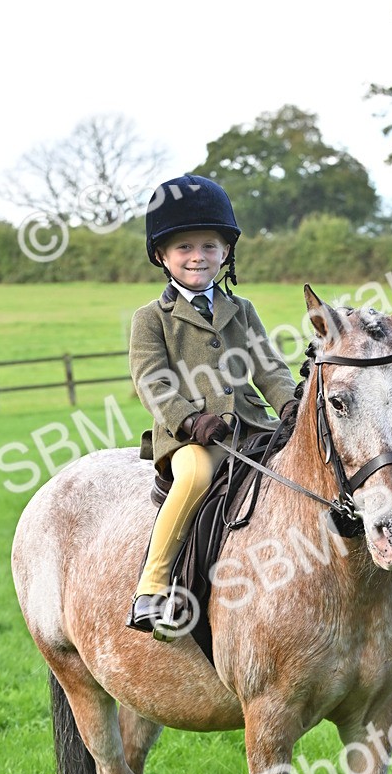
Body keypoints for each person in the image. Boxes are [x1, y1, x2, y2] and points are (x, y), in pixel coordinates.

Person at [127, 174, 297, 635]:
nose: (197, 256)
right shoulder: (151, 318)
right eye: (184, 248)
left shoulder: (241, 309)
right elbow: (151, 381)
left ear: (225, 252)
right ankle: (153, 588)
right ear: (162, 256)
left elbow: (269, 366)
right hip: (190, 437)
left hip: (251, 427)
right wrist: (190, 419)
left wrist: (289, 406)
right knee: (197, 477)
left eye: (208, 245)